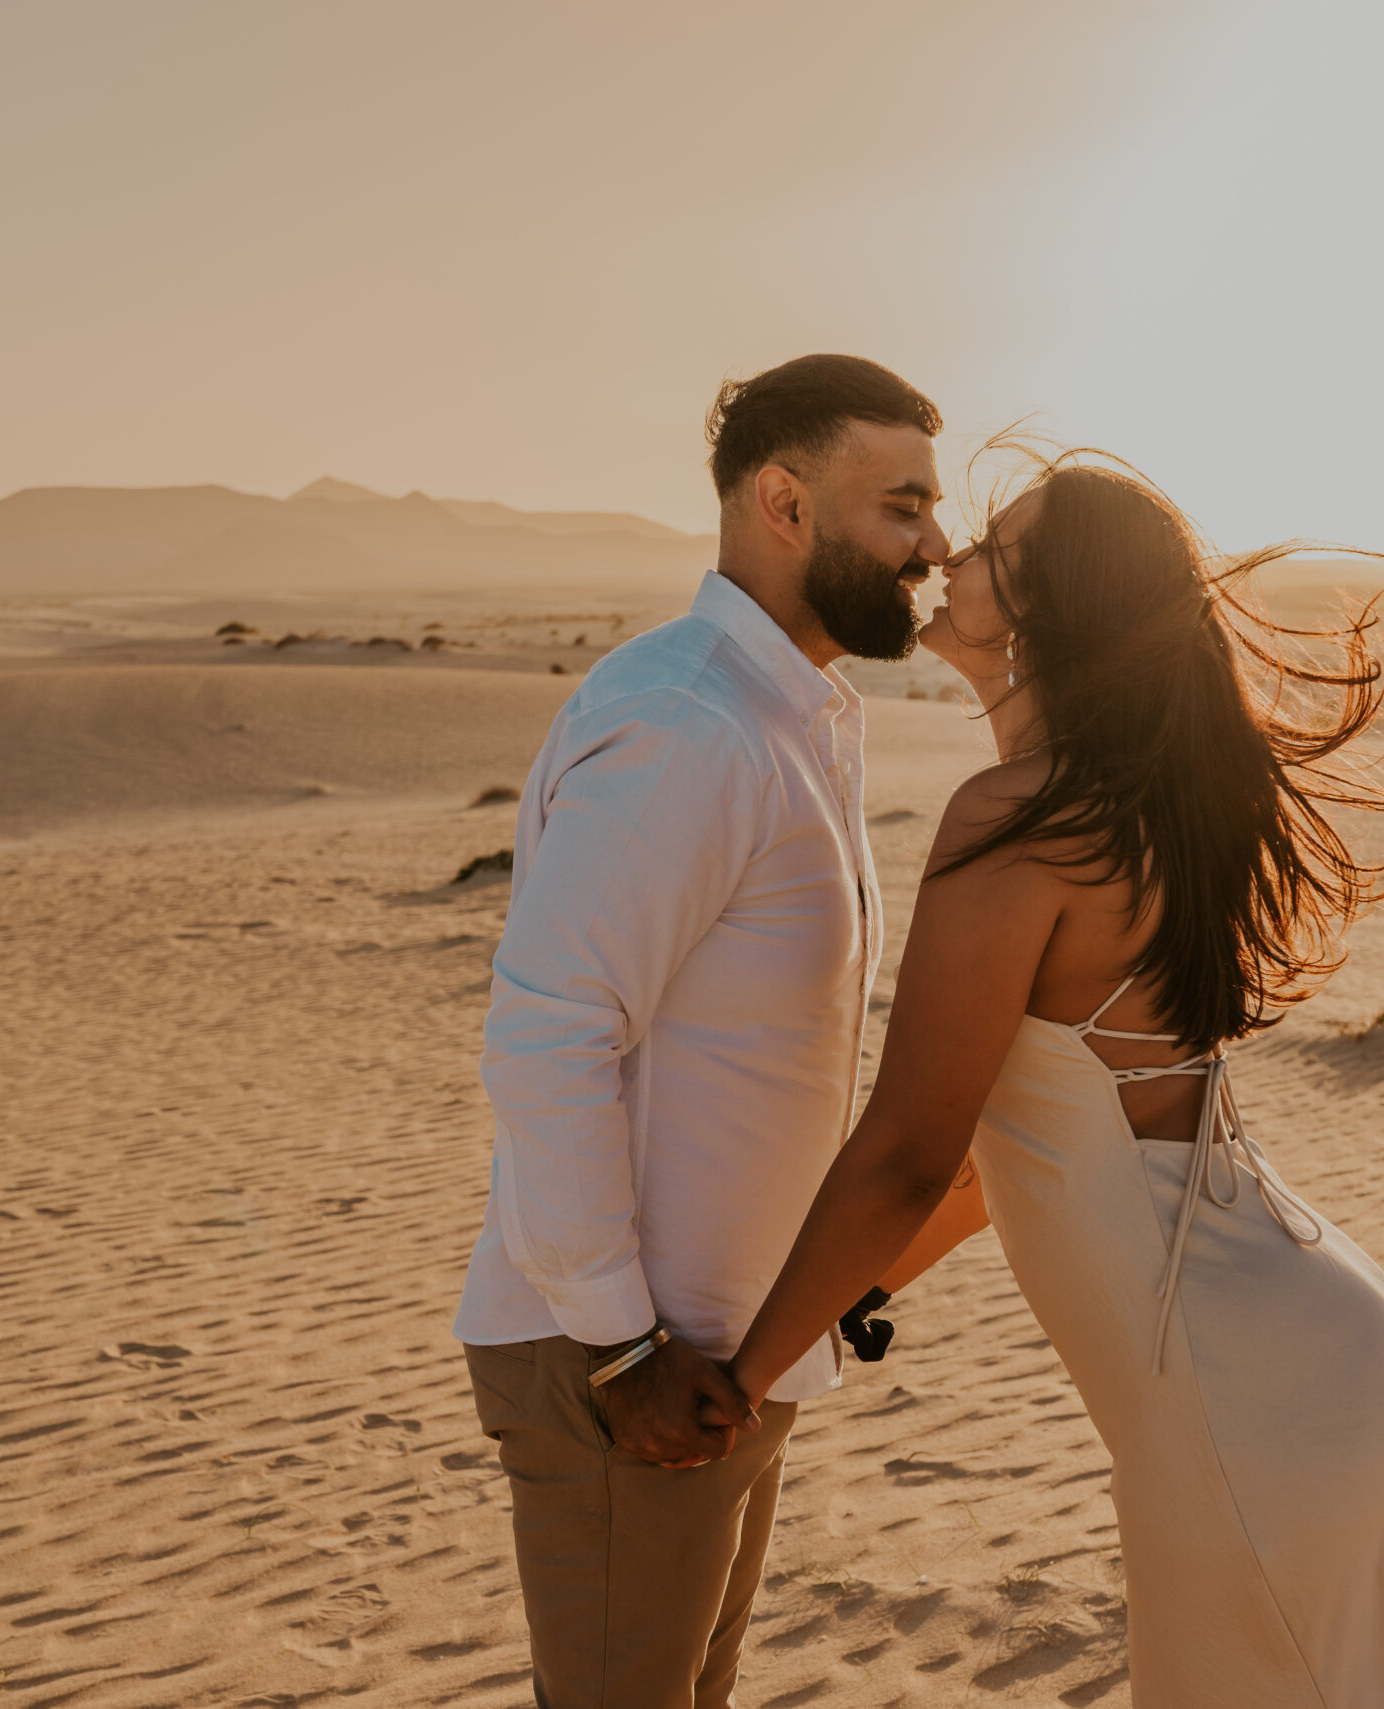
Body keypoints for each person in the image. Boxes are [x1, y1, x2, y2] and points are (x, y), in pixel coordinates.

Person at [727, 455, 1384, 1707]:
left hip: (1239, 1395)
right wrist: (837, 1302)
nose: (949, 561)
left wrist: (736, 1377)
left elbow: (909, 1148)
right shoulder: (1143, 810)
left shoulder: (1014, 819)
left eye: (991, 551)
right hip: (1321, 1340)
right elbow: (1001, 1163)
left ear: (1045, 612)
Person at [451, 354, 951, 1709]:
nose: (936, 545)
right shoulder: (688, 723)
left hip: (723, 1361)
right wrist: (620, 1349)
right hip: (629, 1372)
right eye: (901, 506)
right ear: (783, 503)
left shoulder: (792, 718)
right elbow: (550, 1033)